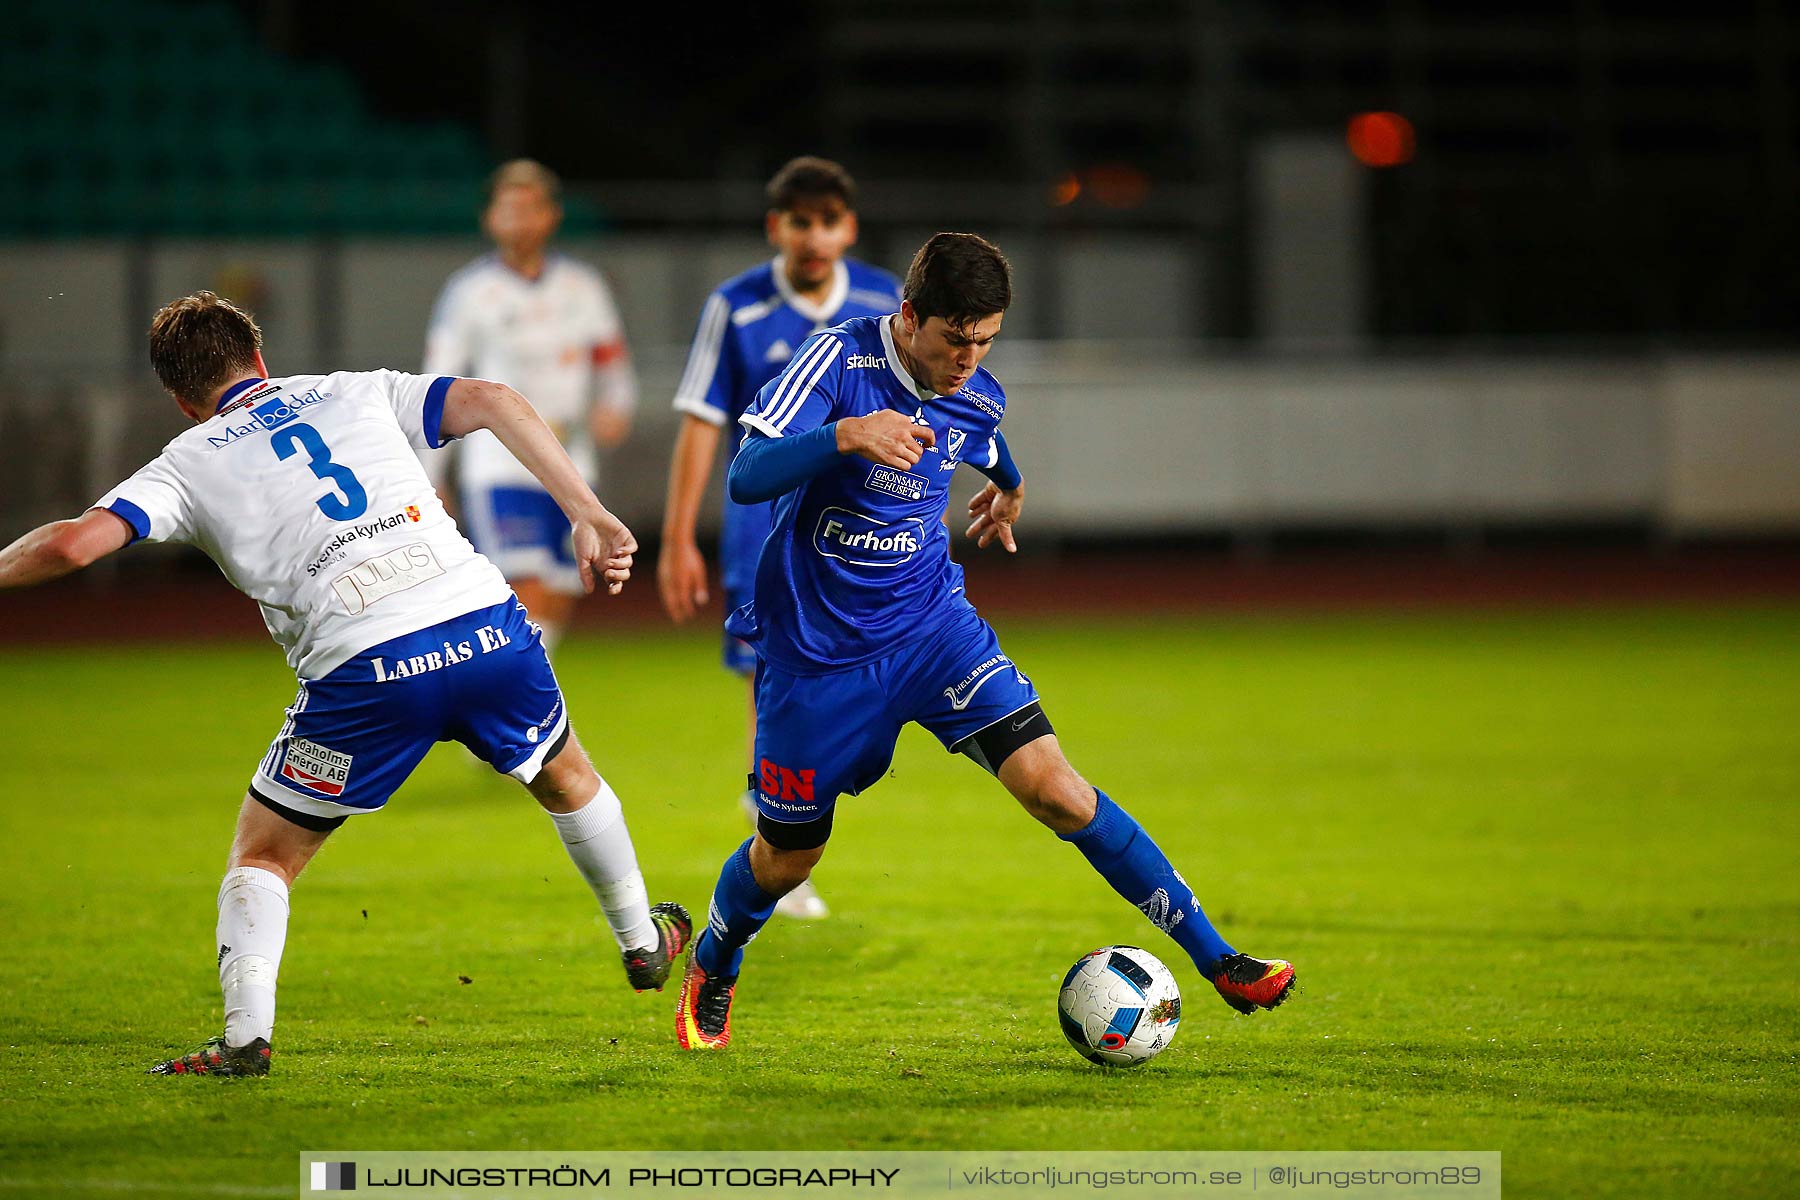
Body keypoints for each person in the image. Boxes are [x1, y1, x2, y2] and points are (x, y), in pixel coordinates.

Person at [0, 292, 689, 1077]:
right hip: (487, 632)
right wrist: (588, 511)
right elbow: (494, 399)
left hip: (368, 677)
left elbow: (75, 547)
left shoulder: (186, 463)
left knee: (263, 856)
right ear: (258, 358)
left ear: (182, 400)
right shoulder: (352, 389)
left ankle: (244, 1041)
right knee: (567, 775)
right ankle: (642, 941)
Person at [672, 235, 1296, 1050]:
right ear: (908, 316)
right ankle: (716, 960)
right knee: (788, 859)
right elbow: (747, 473)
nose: (967, 358)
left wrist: (1010, 491)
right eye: (952, 338)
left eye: (984, 340)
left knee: (1059, 792)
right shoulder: (837, 362)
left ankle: (1221, 962)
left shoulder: (976, 393)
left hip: (936, 634)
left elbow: (988, 446)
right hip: (817, 658)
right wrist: (847, 436)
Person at [657, 156, 901, 921]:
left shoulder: (883, 299)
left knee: (861, 680)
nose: (815, 236)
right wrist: (676, 538)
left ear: (849, 227)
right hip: (765, 534)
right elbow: (703, 421)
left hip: (859, 534)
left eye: (828, 220)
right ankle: (781, 837)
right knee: (775, 681)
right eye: (801, 221)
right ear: (777, 228)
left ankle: (778, 810)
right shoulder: (736, 306)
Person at [424, 159, 637, 657]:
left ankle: (523, 689)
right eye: (508, 208)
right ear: (490, 219)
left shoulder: (583, 287)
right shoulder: (469, 292)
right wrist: (431, 473)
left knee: (566, 585)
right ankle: (519, 700)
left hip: (569, 456)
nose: (519, 219)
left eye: (530, 208)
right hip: (498, 459)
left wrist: (616, 405)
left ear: (551, 216)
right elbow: (438, 382)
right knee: (525, 586)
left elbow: (612, 361)